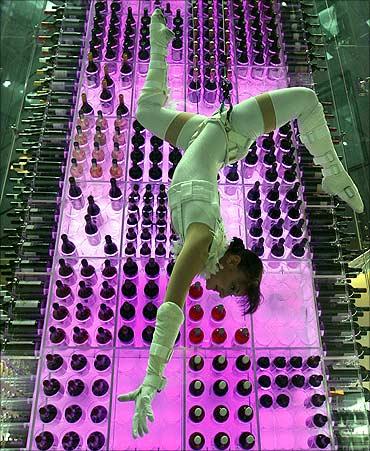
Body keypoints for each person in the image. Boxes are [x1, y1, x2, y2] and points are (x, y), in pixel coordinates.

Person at [117, 8, 364, 440]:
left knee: (145, 110)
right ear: (231, 260)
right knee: (306, 99)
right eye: (232, 286)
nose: (218, 291)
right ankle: (331, 170)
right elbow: (172, 305)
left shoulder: (206, 246)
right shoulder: (203, 238)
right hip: (231, 129)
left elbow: (178, 299)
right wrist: (153, 380)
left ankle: (161, 40)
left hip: (200, 137)